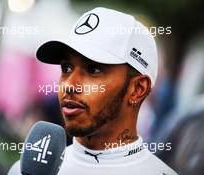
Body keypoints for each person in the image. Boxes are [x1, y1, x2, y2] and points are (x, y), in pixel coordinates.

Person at [35, 7, 178, 175]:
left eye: (93, 69)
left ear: (138, 89)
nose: (69, 85)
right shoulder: (28, 170)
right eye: (66, 68)